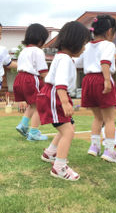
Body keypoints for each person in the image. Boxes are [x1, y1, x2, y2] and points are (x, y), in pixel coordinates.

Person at [38, 21, 90, 181]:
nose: (84, 48)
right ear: (74, 42)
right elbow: (60, 82)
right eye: (83, 44)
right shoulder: (65, 59)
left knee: (69, 126)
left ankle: (50, 152)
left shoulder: (62, 57)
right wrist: (65, 102)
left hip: (54, 94)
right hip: (55, 94)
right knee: (68, 131)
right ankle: (59, 167)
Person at [75, 14, 116, 163]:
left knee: (97, 117)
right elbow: (105, 62)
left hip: (87, 81)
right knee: (109, 119)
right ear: (109, 32)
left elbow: (78, 63)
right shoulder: (108, 45)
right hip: (101, 78)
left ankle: (94, 147)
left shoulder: (87, 46)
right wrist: (107, 80)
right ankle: (109, 150)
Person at [13, 23, 49, 141]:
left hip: (20, 78)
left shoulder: (24, 51)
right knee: (39, 105)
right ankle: (33, 132)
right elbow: (42, 71)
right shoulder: (38, 51)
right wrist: (51, 82)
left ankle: (23, 125)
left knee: (32, 104)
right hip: (31, 79)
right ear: (40, 40)